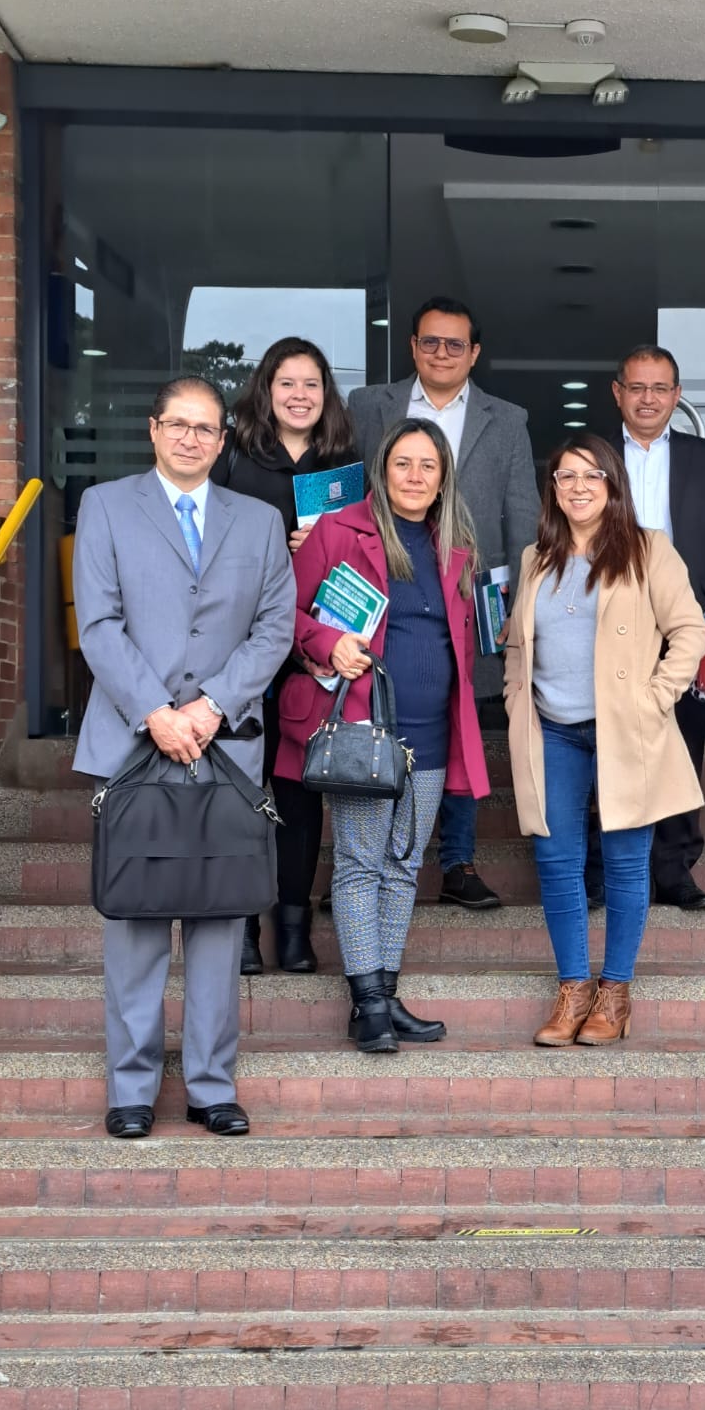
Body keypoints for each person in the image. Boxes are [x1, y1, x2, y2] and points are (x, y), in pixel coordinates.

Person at [72, 375, 296, 1139]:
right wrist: (155, 713)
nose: (192, 439)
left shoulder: (260, 521)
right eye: (180, 425)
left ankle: (210, 1086)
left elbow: (275, 628)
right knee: (134, 924)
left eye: (207, 429)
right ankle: (131, 1091)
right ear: (154, 429)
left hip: (225, 749)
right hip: (135, 749)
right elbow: (98, 625)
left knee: (219, 923)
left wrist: (208, 707)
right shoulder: (105, 507)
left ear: (223, 440)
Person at [274, 417, 490, 1053]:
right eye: (403, 463)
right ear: (382, 470)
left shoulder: (457, 547)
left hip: (431, 732)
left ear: (443, 475)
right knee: (361, 862)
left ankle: (387, 995)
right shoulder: (341, 531)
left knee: (403, 866)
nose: (416, 476)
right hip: (364, 728)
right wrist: (327, 642)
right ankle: (365, 1002)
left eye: (428, 465)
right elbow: (283, 613)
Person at [505, 434, 705, 1046]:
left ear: (612, 484)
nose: (578, 488)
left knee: (624, 864)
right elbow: (518, 643)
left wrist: (654, 697)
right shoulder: (534, 558)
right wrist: (518, 698)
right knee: (556, 859)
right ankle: (572, 990)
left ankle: (614, 992)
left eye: (591, 476)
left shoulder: (648, 550)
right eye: (565, 477)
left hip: (625, 730)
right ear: (554, 489)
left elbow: (691, 631)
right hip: (554, 731)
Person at [348, 297, 539, 911]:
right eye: (430, 342)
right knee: (366, 713)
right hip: (383, 584)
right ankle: (362, 863)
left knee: (463, 718)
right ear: (412, 346)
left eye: (455, 345)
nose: (441, 354)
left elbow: (523, 515)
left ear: (474, 354)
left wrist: (521, 599)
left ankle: (456, 861)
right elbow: (345, 488)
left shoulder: (505, 418)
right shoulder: (368, 407)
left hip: (469, 592)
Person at [211, 336, 359, 977]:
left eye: (312, 385)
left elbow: (365, 558)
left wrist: (326, 543)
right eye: (287, 384)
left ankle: (292, 930)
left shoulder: (346, 464)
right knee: (244, 790)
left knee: (299, 796)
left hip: (313, 652)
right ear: (266, 390)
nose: (300, 396)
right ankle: (241, 929)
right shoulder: (236, 456)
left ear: (327, 395)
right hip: (241, 650)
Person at [602, 345, 705, 910]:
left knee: (681, 745)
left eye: (660, 389)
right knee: (605, 743)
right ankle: (602, 870)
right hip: (608, 620)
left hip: (685, 621)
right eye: (637, 387)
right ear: (618, 392)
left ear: (677, 397)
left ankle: (674, 870)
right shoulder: (594, 454)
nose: (648, 398)